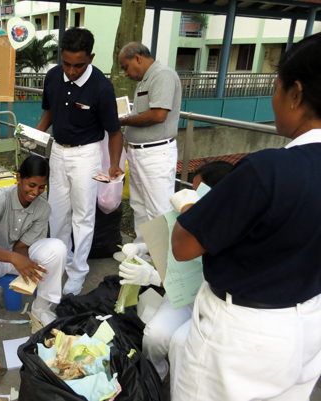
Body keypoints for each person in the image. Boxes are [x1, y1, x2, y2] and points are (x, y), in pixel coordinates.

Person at [170, 32, 321, 401]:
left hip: (243, 336)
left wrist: (191, 207)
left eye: (276, 88)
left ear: (296, 94)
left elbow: (183, 246)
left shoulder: (268, 170)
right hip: (309, 326)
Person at [118, 161, 233, 383]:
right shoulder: (188, 211)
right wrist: (141, 249)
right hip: (180, 296)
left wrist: (153, 277)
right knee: (154, 336)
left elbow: (207, 279)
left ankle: (182, 386)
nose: (191, 197)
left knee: (182, 346)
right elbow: (164, 240)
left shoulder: (231, 227)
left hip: (212, 303)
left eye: (199, 192)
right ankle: (155, 378)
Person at [36, 27, 123, 296]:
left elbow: (115, 131)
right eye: (66, 63)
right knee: (58, 213)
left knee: (83, 217)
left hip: (86, 155)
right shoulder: (52, 76)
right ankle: (61, 262)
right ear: (60, 56)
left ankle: (78, 271)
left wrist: (114, 165)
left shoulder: (102, 87)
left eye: (79, 65)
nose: (71, 71)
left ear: (91, 57)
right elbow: (49, 111)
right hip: (58, 152)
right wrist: (36, 136)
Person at [0, 156, 66, 337]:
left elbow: (21, 247)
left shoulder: (43, 208)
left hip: (18, 257)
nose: (36, 192)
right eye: (31, 185)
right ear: (19, 178)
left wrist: (25, 262)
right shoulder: (0, 198)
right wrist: (14, 258)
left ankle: (41, 308)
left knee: (58, 248)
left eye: (41, 187)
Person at [117, 42, 181, 263]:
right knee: (139, 206)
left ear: (137, 58)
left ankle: (163, 263)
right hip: (139, 152)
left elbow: (158, 115)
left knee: (158, 210)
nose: (126, 73)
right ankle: (142, 253)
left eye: (126, 67)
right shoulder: (145, 80)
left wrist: (123, 120)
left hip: (156, 153)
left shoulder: (162, 75)